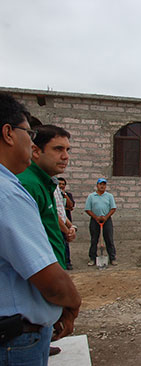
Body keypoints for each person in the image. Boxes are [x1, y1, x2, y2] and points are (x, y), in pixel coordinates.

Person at [0, 93, 81, 364]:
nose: (65, 156)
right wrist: (70, 303)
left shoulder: (37, 184)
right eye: (28, 133)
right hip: (15, 334)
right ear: (9, 133)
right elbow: (41, 270)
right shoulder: (15, 190)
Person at [17, 125, 75, 270]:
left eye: (67, 150)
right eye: (58, 149)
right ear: (36, 151)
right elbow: (26, 248)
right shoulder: (29, 185)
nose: (65, 156)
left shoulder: (45, 183)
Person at [85, 178, 118, 266]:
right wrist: (96, 217)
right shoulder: (91, 196)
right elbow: (87, 209)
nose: (102, 186)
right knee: (94, 240)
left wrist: (106, 217)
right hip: (95, 220)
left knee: (109, 239)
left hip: (106, 220)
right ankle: (92, 258)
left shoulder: (109, 196)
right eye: (100, 184)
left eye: (104, 184)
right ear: (97, 185)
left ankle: (112, 258)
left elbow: (113, 208)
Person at [58, 177, 76, 269]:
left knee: (66, 242)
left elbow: (71, 206)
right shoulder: (54, 194)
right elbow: (57, 211)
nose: (61, 186)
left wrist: (64, 195)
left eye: (63, 184)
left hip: (66, 221)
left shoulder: (67, 194)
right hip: (58, 223)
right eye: (59, 184)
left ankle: (67, 262)